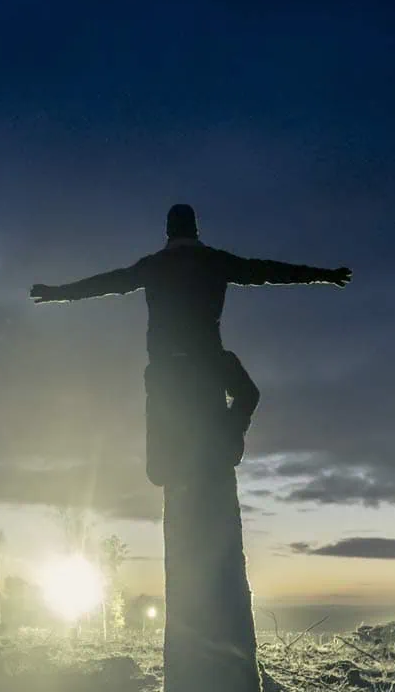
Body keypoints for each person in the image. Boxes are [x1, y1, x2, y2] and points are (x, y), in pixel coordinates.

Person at [31, 203, 350, 485]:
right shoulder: (213, 261)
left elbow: (106, 283)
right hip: (208, 360)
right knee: (247, 393)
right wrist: (323, 275)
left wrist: (57, 293)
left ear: (167, 232)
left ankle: (159, 461)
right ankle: (226, 439)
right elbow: (268, 271)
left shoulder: (153, 265)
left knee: (159, 413)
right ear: (196, 229)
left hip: (164, 365)